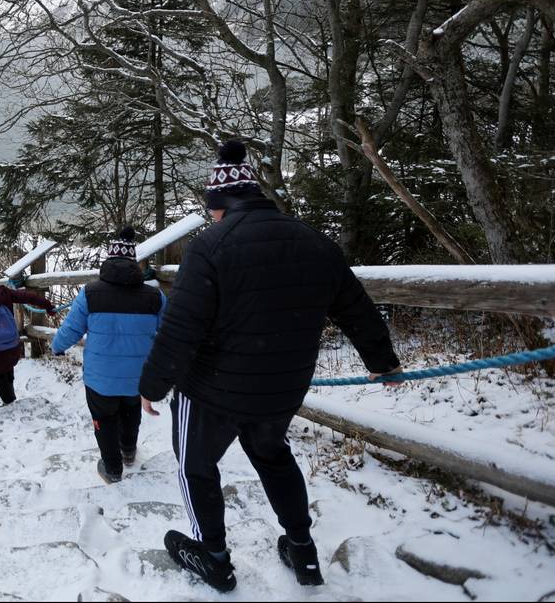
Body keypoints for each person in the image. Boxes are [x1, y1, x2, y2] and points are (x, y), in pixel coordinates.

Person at [139, 140, 402, 593]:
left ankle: (213, 557)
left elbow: (182, 326)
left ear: (219, 205)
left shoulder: (209, 246)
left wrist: (153, 384)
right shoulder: (314, 241)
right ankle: (302, 550)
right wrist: (382, 360)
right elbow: (355, 307)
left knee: (196, 467)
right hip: (281, 387)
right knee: (273, 455)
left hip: (210, 389)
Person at [52, 227, 165, 485]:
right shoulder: (154, 296)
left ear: (108, 261)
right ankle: (128, 451)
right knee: (131, 411)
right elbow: (169, 330)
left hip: (100, 378)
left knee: (104, 419)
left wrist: (57, 346)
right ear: (133, 263)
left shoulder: (90, 293)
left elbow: (71, 329)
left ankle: (112, 468)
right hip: (137, 375)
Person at [0, 268, 58, 407]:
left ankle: (8, 402)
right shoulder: (4, 292)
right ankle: (10, 398)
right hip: (12, 342)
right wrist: (47, 305)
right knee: (8, 367)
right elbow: (28, 297)